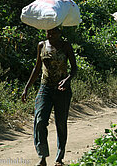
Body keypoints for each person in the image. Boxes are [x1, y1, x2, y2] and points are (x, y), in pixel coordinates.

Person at [21, 27, 77, 166]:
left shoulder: (66, 46)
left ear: (60, 33)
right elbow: (37, 68)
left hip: (62, 90)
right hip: (45, 88)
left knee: (61, 123)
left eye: (54, 32)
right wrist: (27, 88)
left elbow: (74, 68)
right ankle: (42, 157)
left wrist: (67, 79)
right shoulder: (41, 45)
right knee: (39, 121)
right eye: (48, 32)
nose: (51, 35)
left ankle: (59, 158)